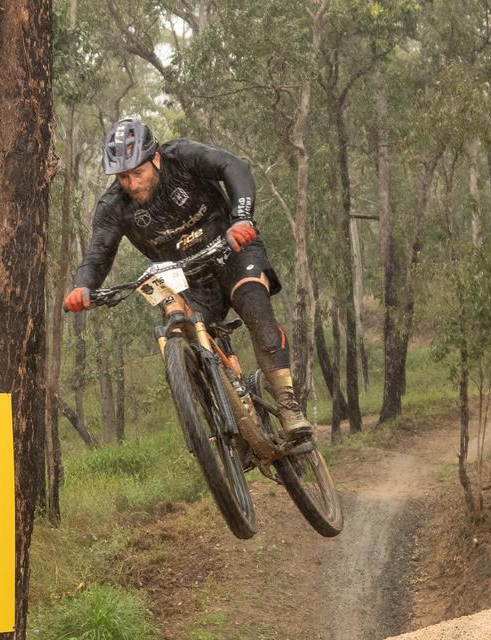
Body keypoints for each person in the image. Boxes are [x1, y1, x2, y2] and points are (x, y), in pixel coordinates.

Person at [63, 116, 312, 440]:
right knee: (179, 327)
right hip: (187, 279)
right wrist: (83, 286)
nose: (132, 183)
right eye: (123, 177)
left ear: (155, 157)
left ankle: (288, 403)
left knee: (253, 303)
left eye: (138, 173)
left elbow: (233, 166)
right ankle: (226, 415)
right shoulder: (113, 206)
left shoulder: (181, 157)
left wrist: (241, 218)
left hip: (232, 248)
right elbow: (98, 252)